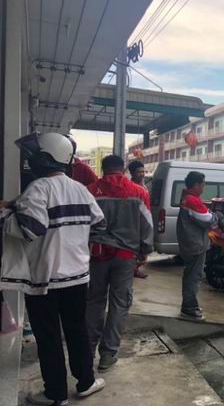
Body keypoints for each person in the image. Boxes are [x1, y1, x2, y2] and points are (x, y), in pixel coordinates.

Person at [0, 132, 106, 406]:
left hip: (44, 280)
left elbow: (30, 229)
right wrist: (72, 239)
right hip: (77, 277)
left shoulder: (38, 188)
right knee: (77, 331)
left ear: (45, 158)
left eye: (33, 155)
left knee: (48, 338)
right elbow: (99, 224)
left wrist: (5, 214)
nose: (29, 159)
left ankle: (56, 394)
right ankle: (86, 382)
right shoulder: (79, 189)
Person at [86, 155, 153, 371]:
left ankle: (87, 351)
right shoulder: (139, 192)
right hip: (126, 256)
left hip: (96, 255)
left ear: (103, 169)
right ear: (123, 170)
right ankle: (108, 354)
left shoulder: (89, 191)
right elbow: (147, 223)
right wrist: (145, 250)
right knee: (120, 303)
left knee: (94, 301)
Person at [177, 171, 217, 320]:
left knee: (190, 275)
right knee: (194, 277)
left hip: (190, 244)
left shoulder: (186, 198)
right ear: (196, 185)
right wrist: (217, 216)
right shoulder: (192, 200)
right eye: (203, 185)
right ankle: (189, 308)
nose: (203, 188)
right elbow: (207, 219)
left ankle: (188, 305)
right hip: (196, 245)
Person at [127, 160, 150, 279]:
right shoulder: (129, 188)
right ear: (132, 173)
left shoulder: (144, 186)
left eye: (143, 171)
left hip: (144, 221)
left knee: (142, 251)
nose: (142, 174)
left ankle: (135, 269)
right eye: (139, 172)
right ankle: (131, 270)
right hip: (133, 223)